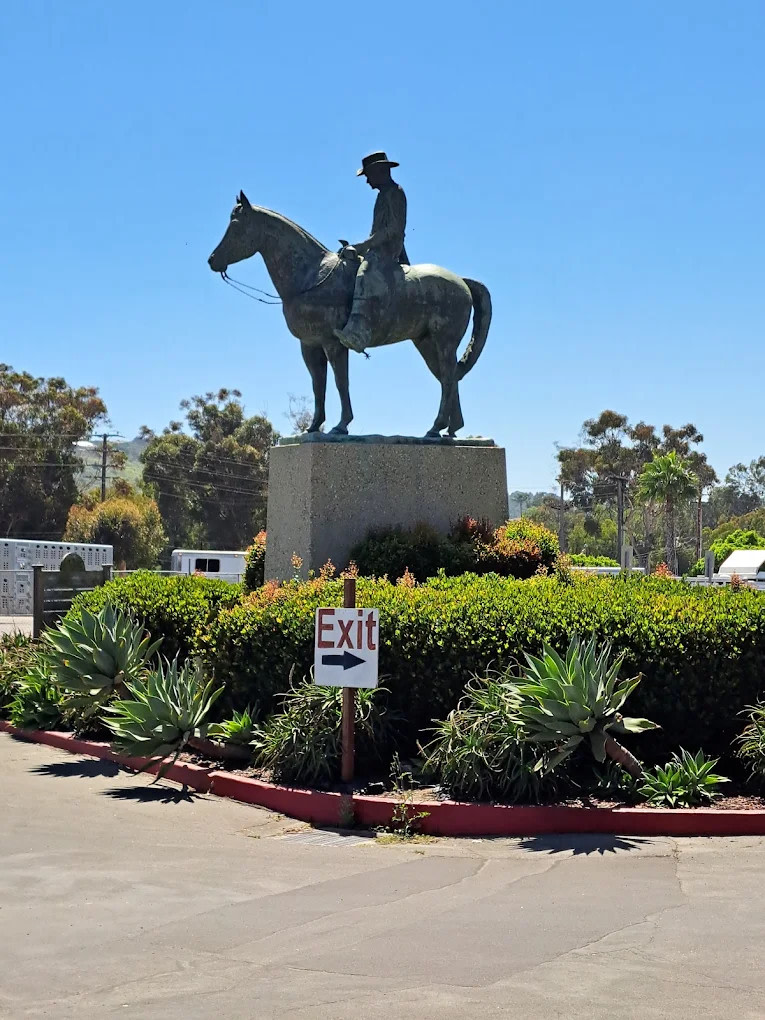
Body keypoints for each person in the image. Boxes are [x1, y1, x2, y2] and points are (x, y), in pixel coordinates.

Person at [333, 151, 409, 353]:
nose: (367, 180)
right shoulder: (383, 195)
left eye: (368, 175)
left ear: (379, 171)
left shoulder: (395, 193)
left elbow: (393, 229)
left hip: (387, 250)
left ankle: (358, 333)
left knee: (364, 274)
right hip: (378, 248)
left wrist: (364, 245)